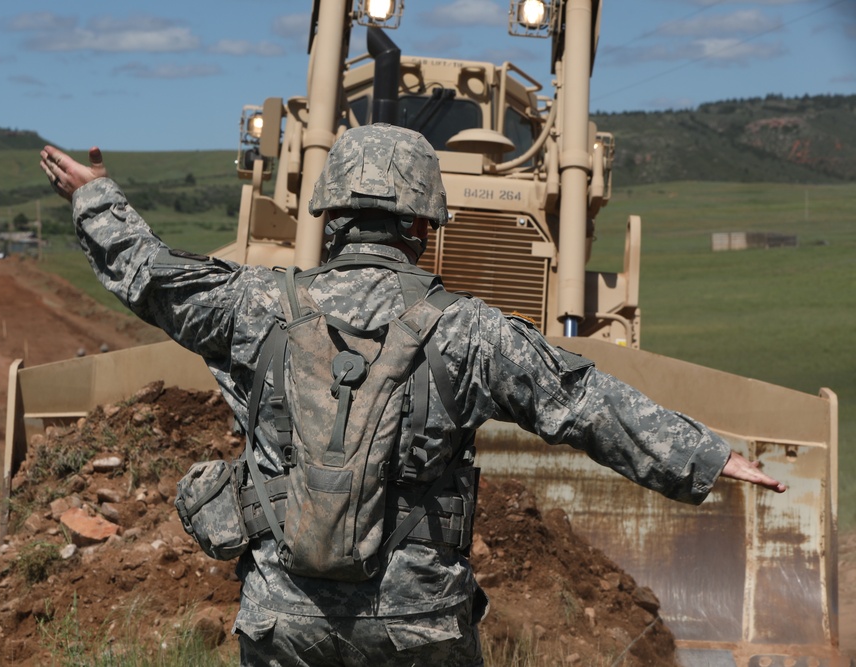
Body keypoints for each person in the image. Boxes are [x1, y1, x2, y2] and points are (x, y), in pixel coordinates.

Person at [40, 124, 783, 667]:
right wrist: (709, 456)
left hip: (283, 617)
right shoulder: (469, 331)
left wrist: (96, 195)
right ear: (424, 227)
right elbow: (581, 400)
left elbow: (150, 275)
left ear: (329, 216)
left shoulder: (254, 302)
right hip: (419, 623)